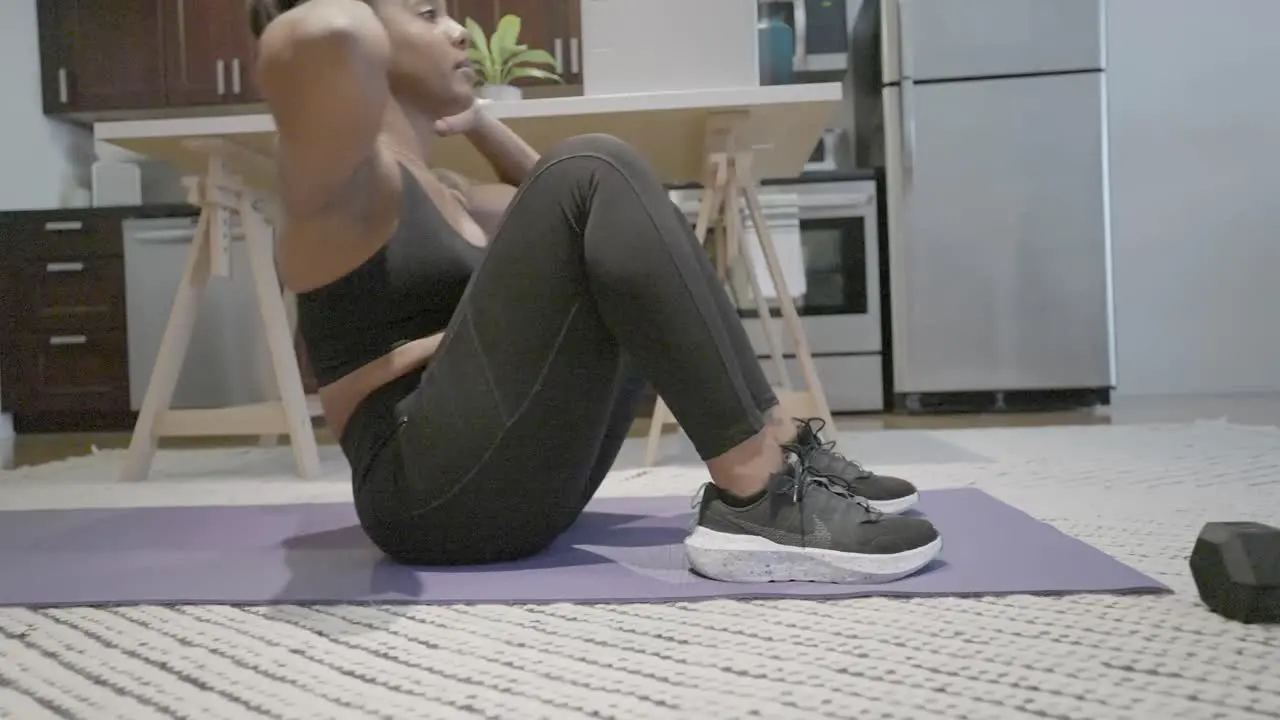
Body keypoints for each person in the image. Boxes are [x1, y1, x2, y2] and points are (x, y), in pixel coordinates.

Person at [248, 0, 943, 584]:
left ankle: (780, 446)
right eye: (428, 13)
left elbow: (592, 224)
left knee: (617, 207)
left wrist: (482, 123)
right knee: (595, 161)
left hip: (495, 479)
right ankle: (756, 492)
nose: (459, 30)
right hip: (424, 495)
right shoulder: (339, 189)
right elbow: (318, 38)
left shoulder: (455, 193)